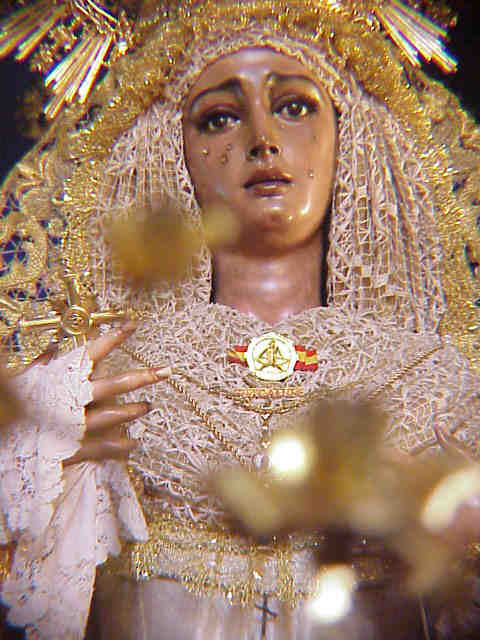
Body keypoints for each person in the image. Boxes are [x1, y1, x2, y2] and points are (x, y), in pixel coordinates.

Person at [1, 1, 480, 638]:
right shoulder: (100, 386)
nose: (262, 138)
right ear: (170, 154)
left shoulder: (439, 387)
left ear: (351, 137)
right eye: (219, 118)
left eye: (295, 107)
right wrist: (32, 468)